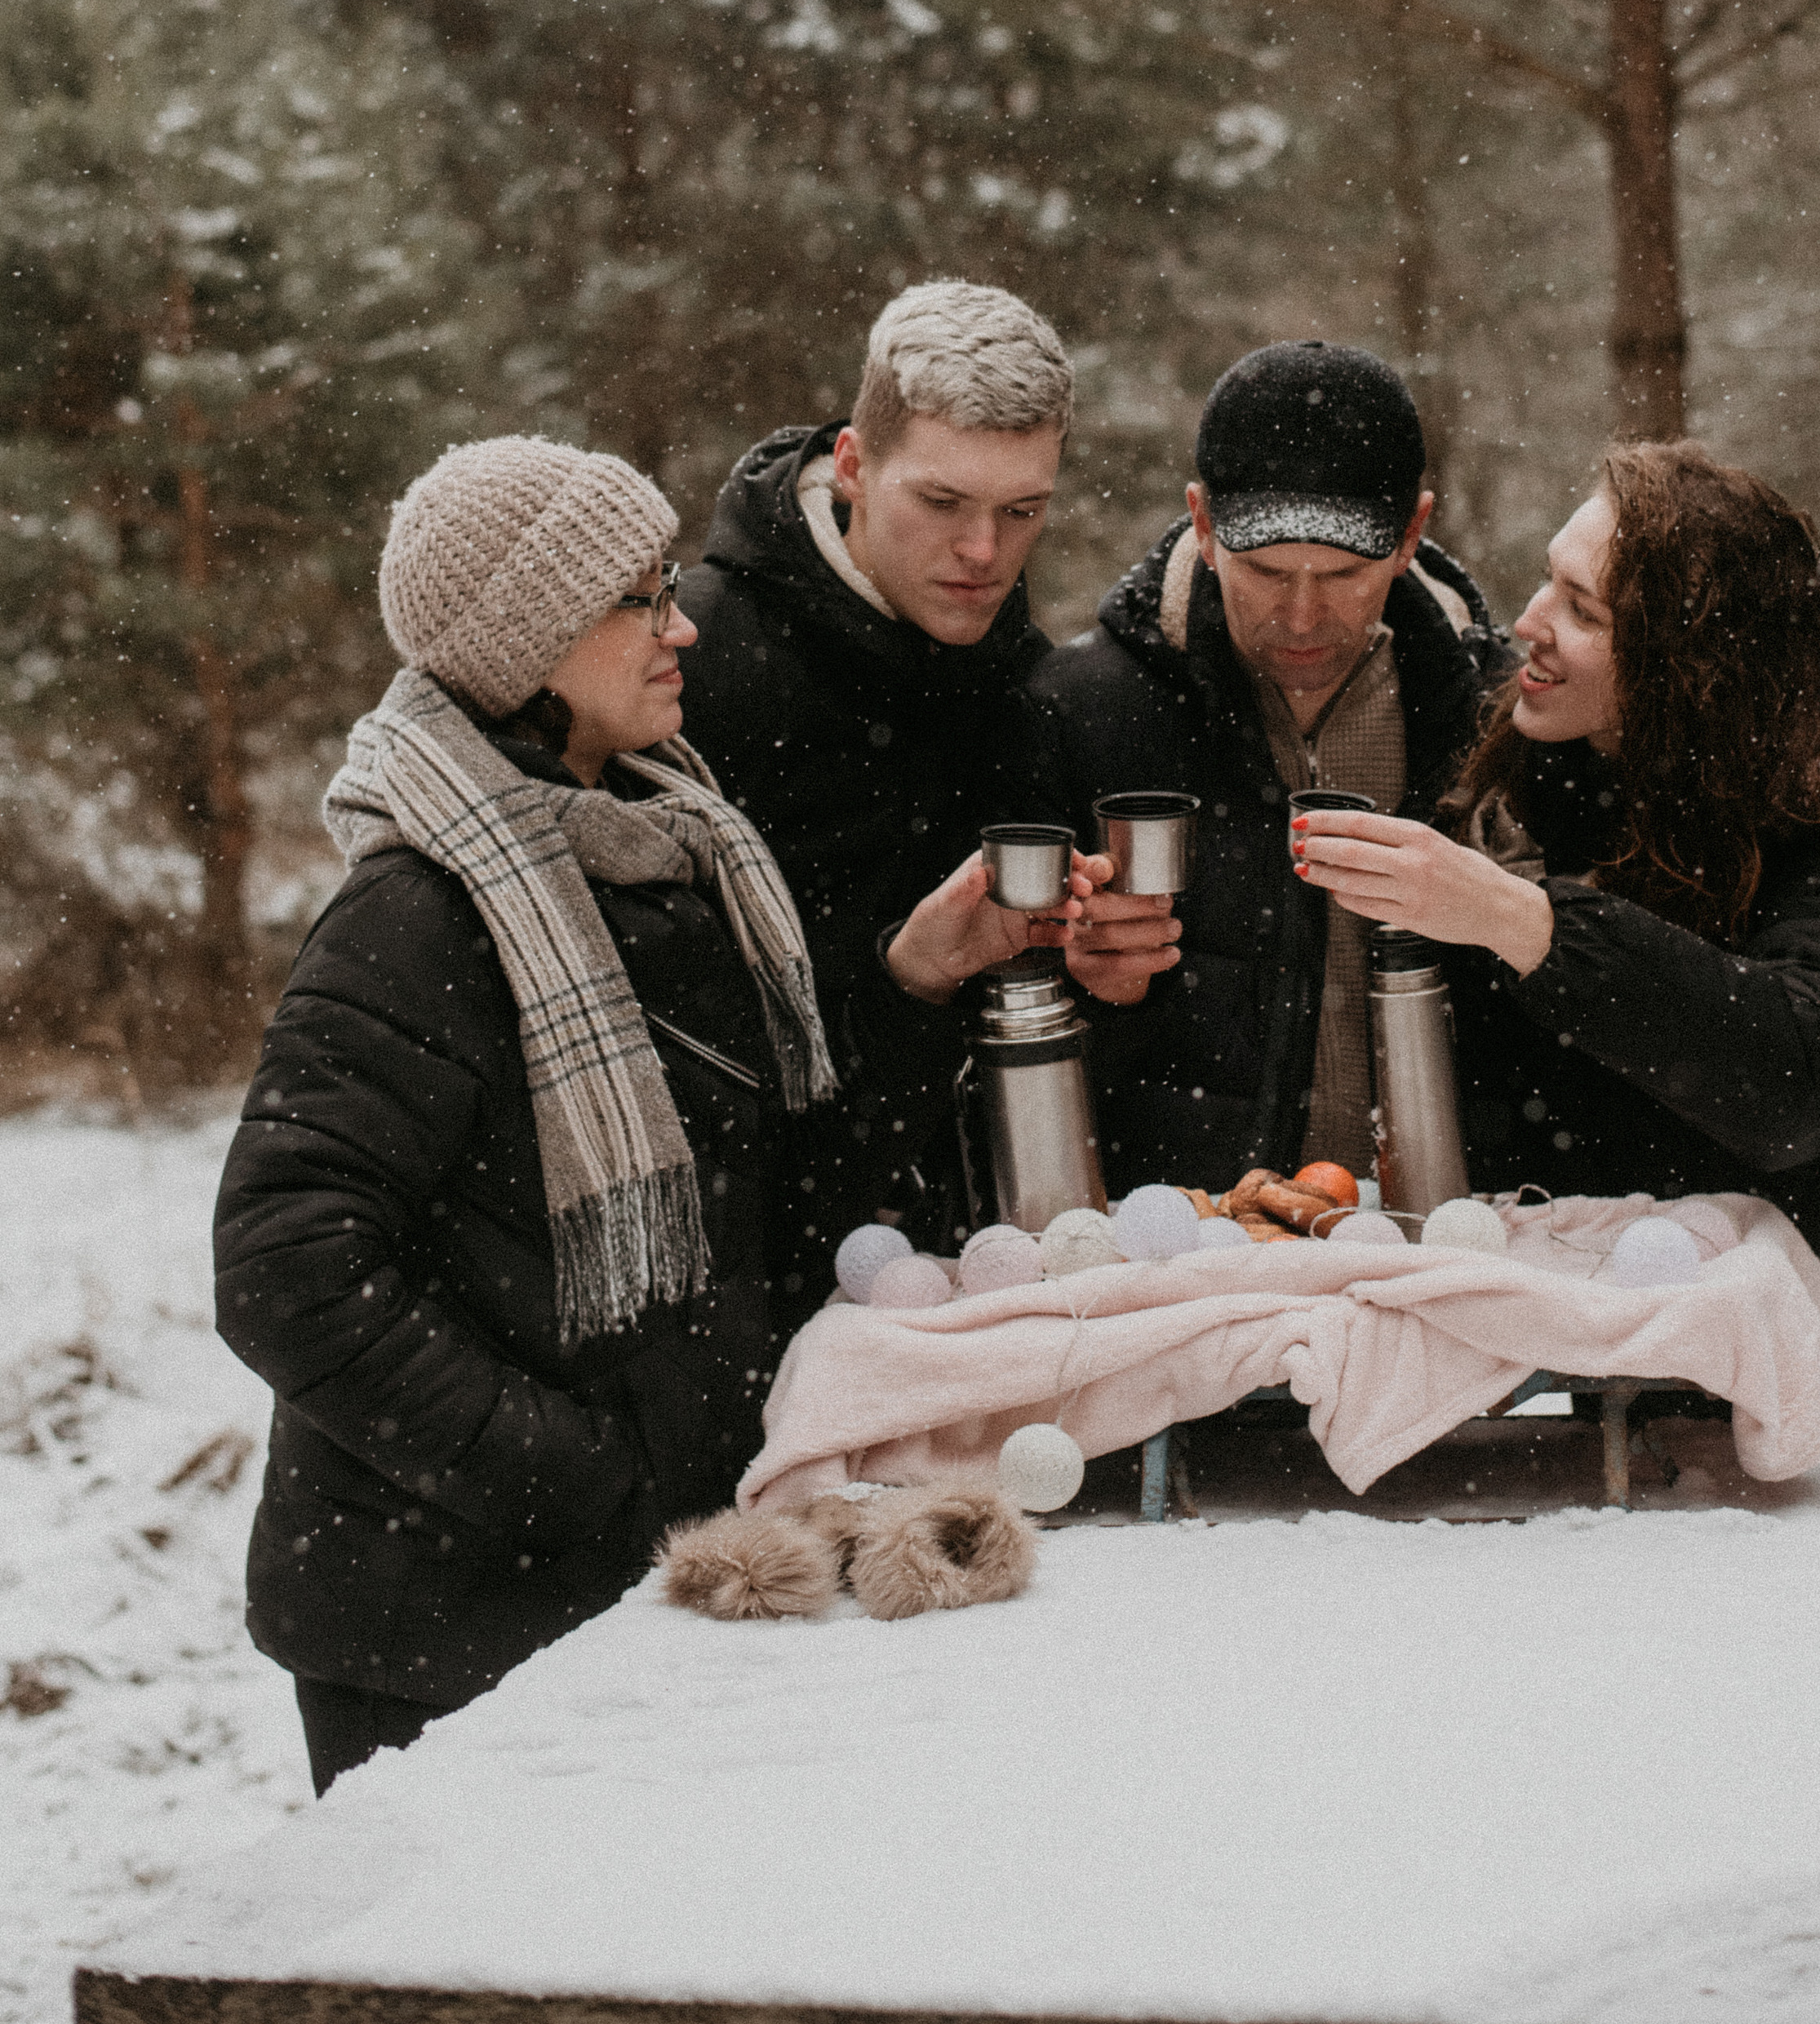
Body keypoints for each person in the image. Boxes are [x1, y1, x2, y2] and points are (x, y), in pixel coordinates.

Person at [215, 437, 839, 1795]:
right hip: (439, 1631)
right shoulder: (421, 913)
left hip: (610, 1594)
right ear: (534, 641)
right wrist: (582, 1484)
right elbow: (286, 1268)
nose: (681, 625)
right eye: (639, 597)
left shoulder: (675, 846)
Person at [1290, 438, 1820, 1432]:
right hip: (1607, 1370)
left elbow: (1799, 1074)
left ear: (1689, 665)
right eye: (1547, 580)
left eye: (1584, 610)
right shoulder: (1527, 775)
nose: (1528, 622)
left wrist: (1517, 919)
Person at [678, 281, 1092, 1282]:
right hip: (734, 1277)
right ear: (855, 466)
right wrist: (896, 982)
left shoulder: (1029, 688)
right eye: (942, 502)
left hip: (976, 1271)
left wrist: (1100, 970)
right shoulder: (687, 664)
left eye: (1020, 510)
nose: (983, 551)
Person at [1034, 341, 1514, 1190]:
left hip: (1450, 1234)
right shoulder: (1079, 708)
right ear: (1203, 523)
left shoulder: (1496, 715)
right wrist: (1082, 984)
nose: (1301, 615)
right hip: (1185, 1245)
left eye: (1341, 575)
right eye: (1262, 572)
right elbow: (984, 1027)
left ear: (1412, 534)